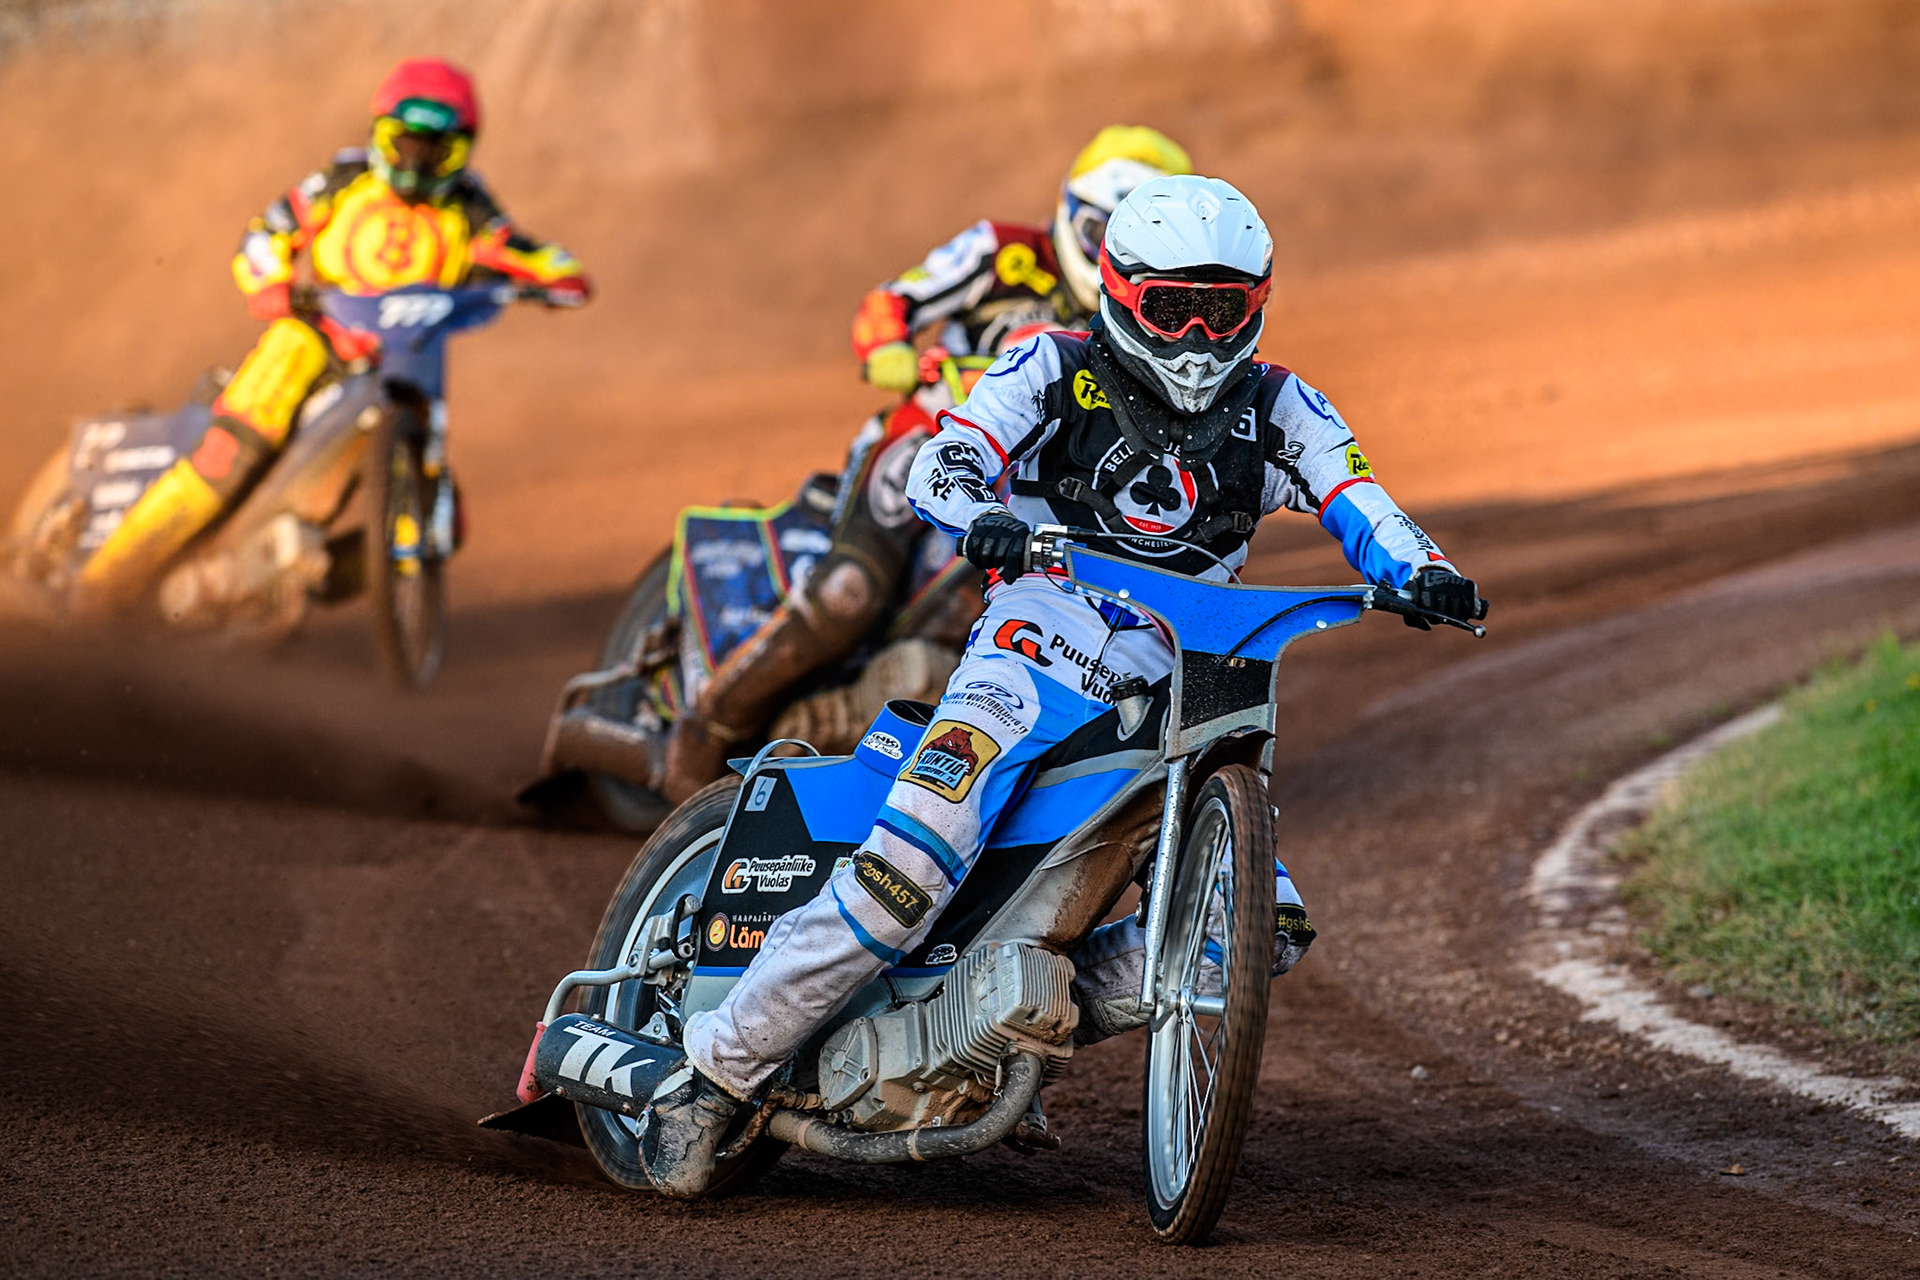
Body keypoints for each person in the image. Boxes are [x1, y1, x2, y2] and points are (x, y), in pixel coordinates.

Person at [639, 173, 1487, 1197]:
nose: (1195, 336)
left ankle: (996, 1018)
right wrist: (974, 509)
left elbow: (1361, 495)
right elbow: (948, 459)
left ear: (1258, 305)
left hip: (1182, 684)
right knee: (908, 869)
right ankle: (712, 1076)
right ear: (1121, 294)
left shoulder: (1281, 405)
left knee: (1262, 931)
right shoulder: (1047, 366)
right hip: (1027, 657)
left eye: (1221, 310)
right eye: (1173, 307)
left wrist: (1421, 569)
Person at [655, 125, 1191, 804]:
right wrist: (888, 346)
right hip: (932, 437)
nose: (1105, 253)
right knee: (850, 590)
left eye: (1128, 244)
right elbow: (895, 299)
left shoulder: (1155, 320)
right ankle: (701, 730)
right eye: (1094, 231)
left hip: (1044, 490)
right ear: (1065, 210)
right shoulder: (1003, 253)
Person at [73, 57, 591, 614]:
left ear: (462, 150)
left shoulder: (469, 209)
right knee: (230, 455)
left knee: (442, 523)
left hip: (398, 363)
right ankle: (98, 590)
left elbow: (531, 254)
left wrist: (557, 281)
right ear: (379, 135)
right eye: (405, 144)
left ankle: (281, 585)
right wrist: (269, 281)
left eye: (436, 150)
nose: (417, 164)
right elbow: (267, 233)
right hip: (312, 338)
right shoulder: (342, 183)